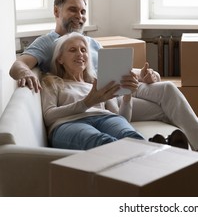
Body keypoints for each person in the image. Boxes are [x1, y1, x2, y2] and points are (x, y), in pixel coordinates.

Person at [9, 0, 198, 182]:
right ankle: (187, 162)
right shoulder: (49, 42)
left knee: (167, 90)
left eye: (83, 11)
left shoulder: (91, 43)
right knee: (164, 111)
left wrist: (141, 74)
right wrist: (25, 73)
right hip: (93, 97)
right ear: (57, 11)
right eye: (73, 10)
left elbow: (105, 67)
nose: (79, 16)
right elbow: (19, 63)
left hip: (112, 91)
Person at [41, 32, 188, 150]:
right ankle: (161, 153)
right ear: (60, 59)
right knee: (102, 141)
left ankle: (157, 153)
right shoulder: (52, 82)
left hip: (106, 118)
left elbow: (122, 117)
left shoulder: (99, 81)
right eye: (73, 50)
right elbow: (49, 116)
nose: (80, 54)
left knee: (129, 135)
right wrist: (87, 103)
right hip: (69, 124)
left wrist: (127, 96)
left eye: (83, 50)